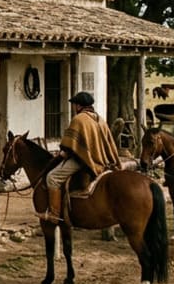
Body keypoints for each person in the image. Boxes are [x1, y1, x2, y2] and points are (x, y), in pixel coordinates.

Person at [41, 91, 122, 223]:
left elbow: (72, 146)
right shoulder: (100, 119)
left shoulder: (79, 119)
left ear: (78, 106)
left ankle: (54, 214)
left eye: (74, 105)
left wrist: (63, 153)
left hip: (84, 161)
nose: (74, 107)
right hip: (103, 160)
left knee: (52, 178)